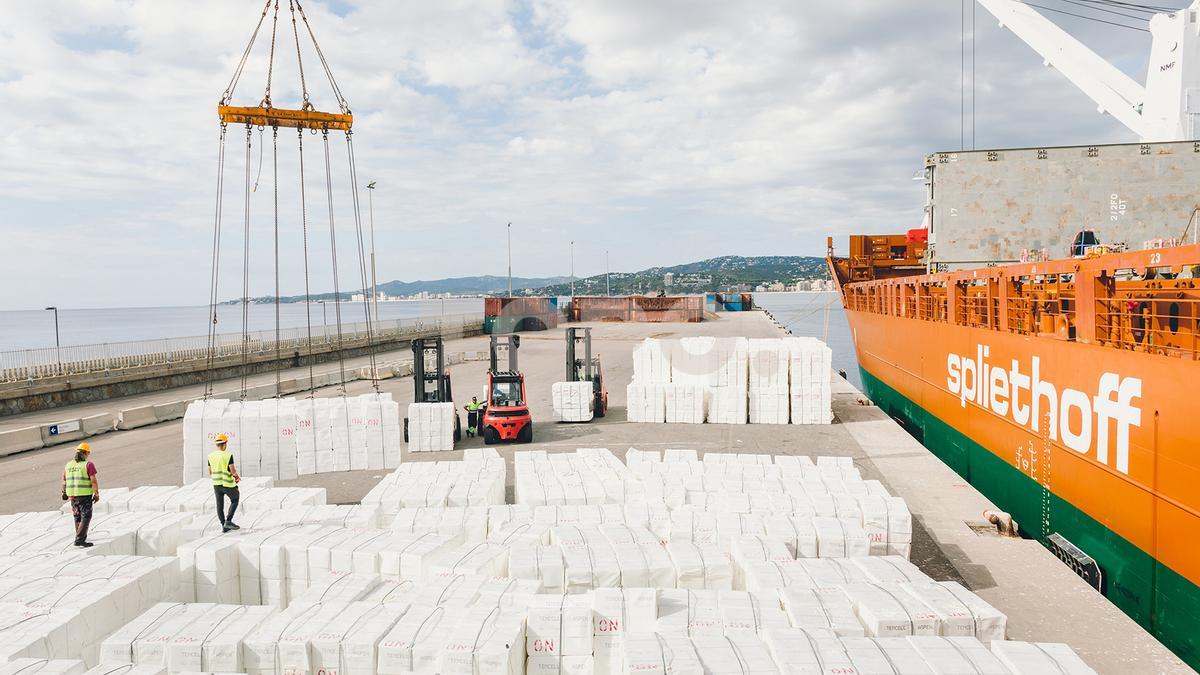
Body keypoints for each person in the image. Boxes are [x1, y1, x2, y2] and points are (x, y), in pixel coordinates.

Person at [61, 442, 99, 548]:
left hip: (72, 496)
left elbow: (64, 480)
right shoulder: (88, 465)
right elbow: (93, 481)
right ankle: (79, 539)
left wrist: (63, 492)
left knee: (77, 516)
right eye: (88, 453)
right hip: (84, 495)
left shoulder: (68, 465)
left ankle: (80, 535)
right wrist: (96, 494)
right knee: (86, 516)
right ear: (85, 453)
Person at [207, 434, 241, 532]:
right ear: (225, 444)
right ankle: (229, 521)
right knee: (235, 499)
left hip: (216, 484)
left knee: (219, 504)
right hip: (227, 484)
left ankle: (223, 525)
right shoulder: (228, 455)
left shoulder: (210, 456)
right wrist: (237, 478)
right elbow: (232, 471)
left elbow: (210, 472)